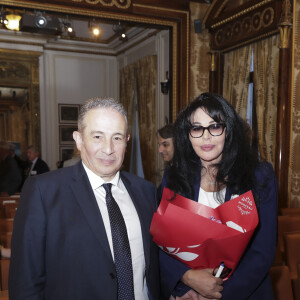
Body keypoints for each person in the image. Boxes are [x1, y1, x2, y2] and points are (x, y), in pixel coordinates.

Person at [9, 97, 160, 300]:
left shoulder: (146, 192)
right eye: (97, 136)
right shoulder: (43, 192)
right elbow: (25, 282)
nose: (108, 149)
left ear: (127, 141)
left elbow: (156, 267)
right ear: (79, 140)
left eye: (117, 138)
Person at [157, 93, 278, 300]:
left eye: (214, 127)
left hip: (244, 294)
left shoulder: (259, 176)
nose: (206, 137)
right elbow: (160, 243)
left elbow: (262, 253)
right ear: (187, 134)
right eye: (196, 128)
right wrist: (184, 278)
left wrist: (216, 295)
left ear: (228, 131)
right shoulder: (174, 176)